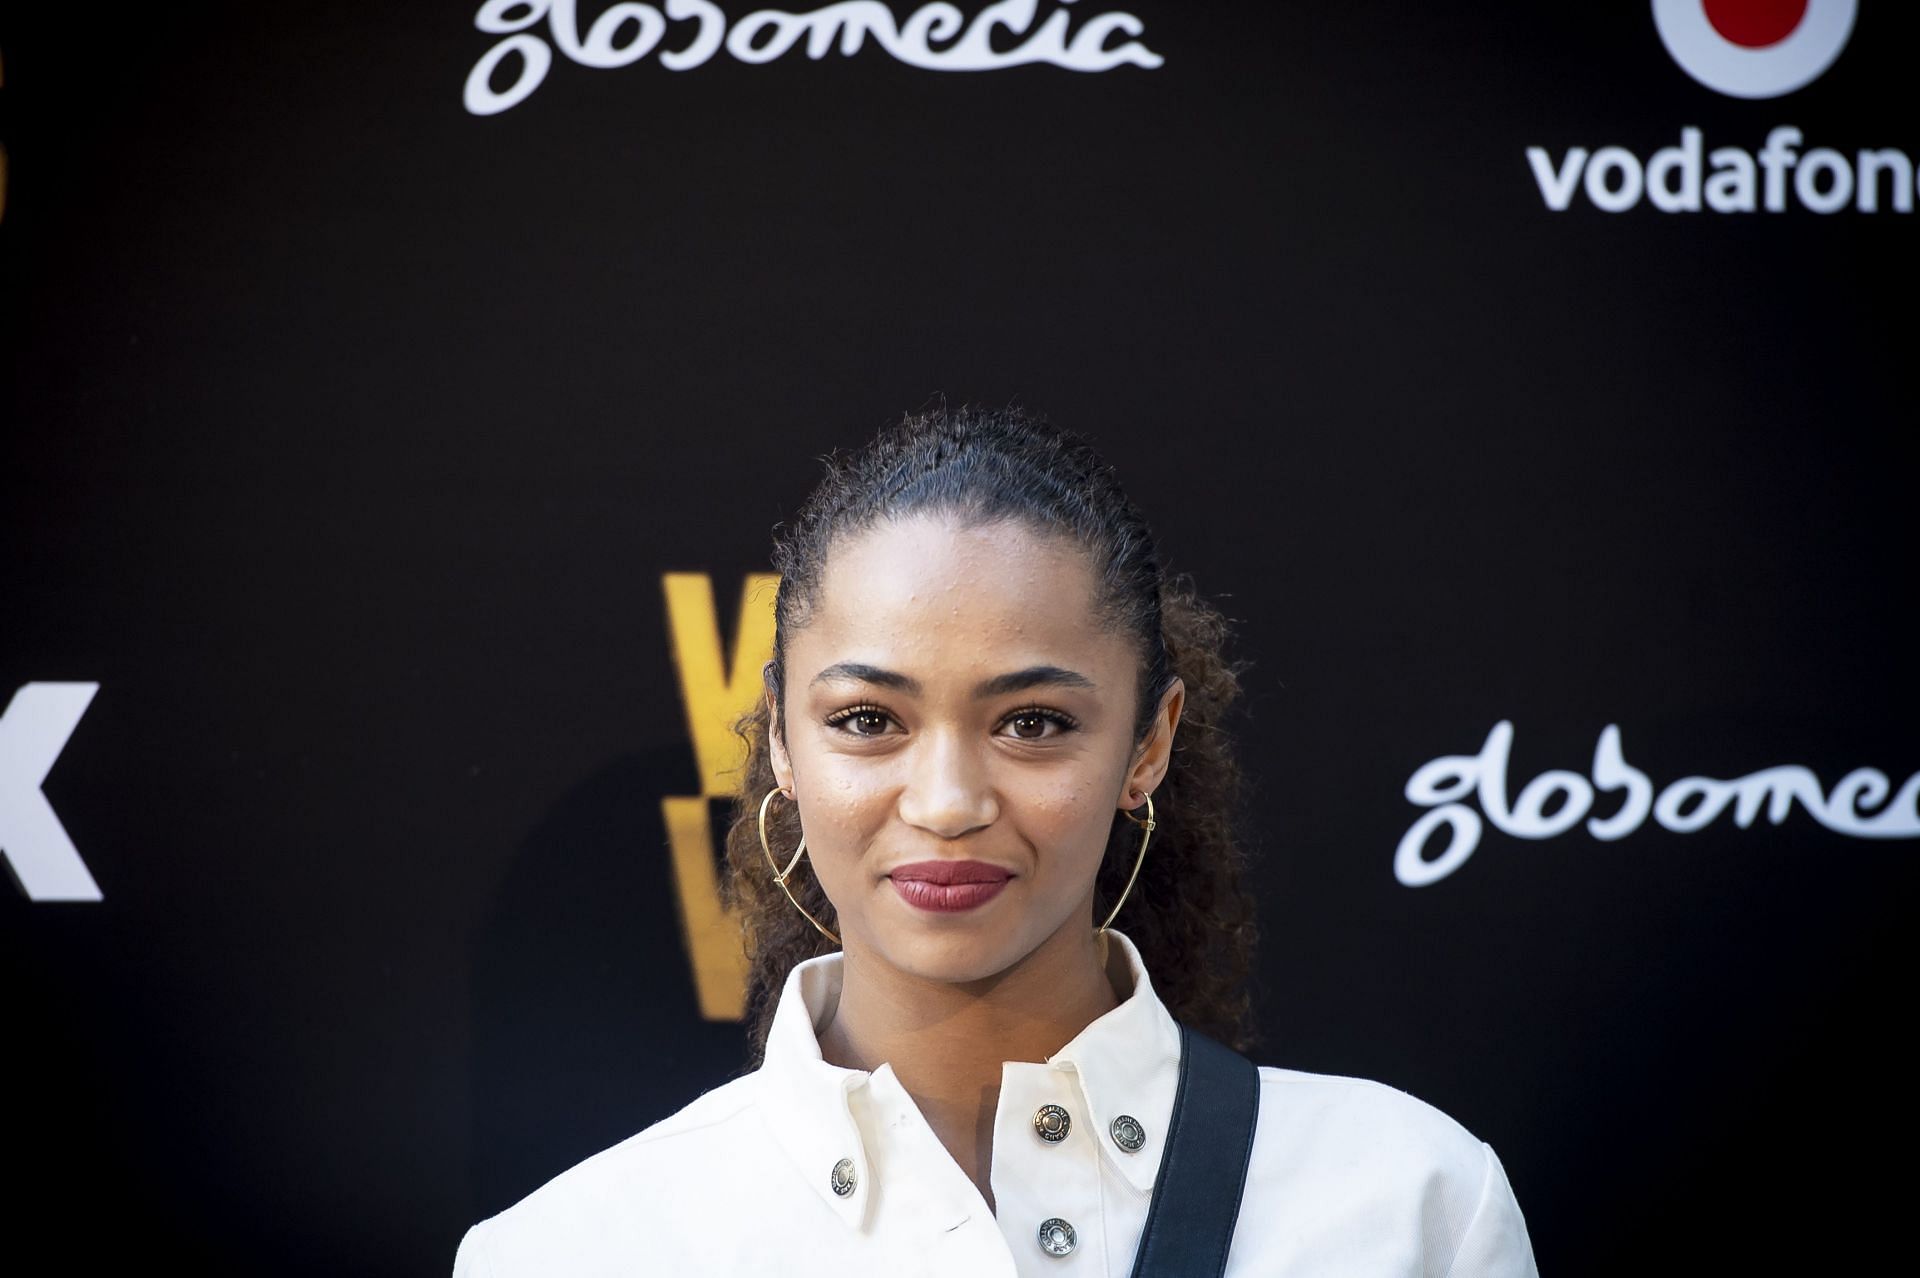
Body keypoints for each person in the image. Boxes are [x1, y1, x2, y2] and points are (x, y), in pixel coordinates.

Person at [452, 404, 1539, 1276]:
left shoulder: (1411, 1206)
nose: (947, 800)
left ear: (1148, 745)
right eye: (868, 721)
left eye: (1033, 724)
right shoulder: (570, 1251)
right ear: (781, 737)